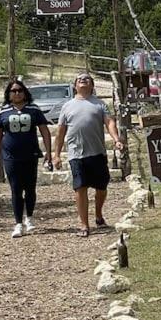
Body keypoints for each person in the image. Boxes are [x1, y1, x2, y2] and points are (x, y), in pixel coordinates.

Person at [53, 73, 124, 237]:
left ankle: (98, 215)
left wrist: (116, 139)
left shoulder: (100, 104)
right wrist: (56, 155)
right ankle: (84, 225)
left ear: (92, 85)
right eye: (79, 79)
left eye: (87, 79)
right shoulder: (67, 106)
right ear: (74, 86)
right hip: (76, 154)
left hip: (97, 152)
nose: (83, 80)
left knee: (101, 187)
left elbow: (109, 122)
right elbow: (60, 132)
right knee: (80, 187)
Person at [0, 80, 51, 238]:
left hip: (30, 155)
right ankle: (18, 223)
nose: (16, 93)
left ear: (24, 92)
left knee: (30, 188)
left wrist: (48, 153)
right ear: (8, 94)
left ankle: (29, 218)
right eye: (13, 91)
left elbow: (44, 131)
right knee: (16, 189)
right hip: (11, 156)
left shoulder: (33, 110)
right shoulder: (3, 112)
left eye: (19, 90)